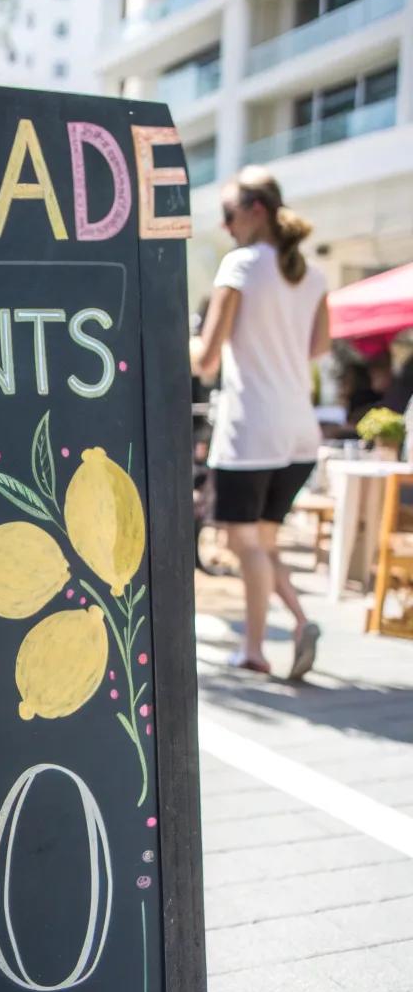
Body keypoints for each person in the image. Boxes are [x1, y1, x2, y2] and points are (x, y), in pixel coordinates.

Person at [191, 166, 331, 679]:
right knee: (263, 543)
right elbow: (317, 347)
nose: (226, 227)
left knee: (242, 544)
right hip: (299, 433)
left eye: (229, 215)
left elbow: (205, 360)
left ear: (254, 211)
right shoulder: (313, 275)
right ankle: (299, 621)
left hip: (250, 428)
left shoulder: (241, 267)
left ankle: (254, 648)